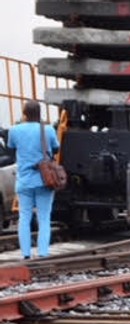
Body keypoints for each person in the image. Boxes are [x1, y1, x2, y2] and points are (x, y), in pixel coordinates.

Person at [7, 100, 60, 259]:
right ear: (39, 113)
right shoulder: (48, 130)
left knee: (24, 217)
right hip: (45, 180)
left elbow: (11, 150)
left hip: (24, 180)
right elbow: (55, 149)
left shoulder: (14, 130)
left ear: (24, 113)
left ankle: (26, 254)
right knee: (44, 217)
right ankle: (43, 253)